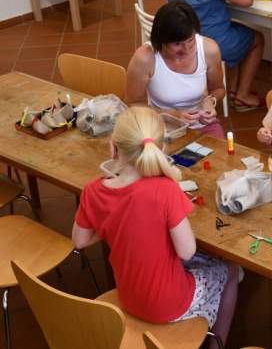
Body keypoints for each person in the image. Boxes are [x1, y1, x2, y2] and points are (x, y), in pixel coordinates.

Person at [72, 107, 239, 349]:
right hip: (169, 305)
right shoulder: (165, 189)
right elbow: (187, 252)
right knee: (229, 270)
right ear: (161, 148)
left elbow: (80, 240)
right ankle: (217, 347)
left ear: (113, 148)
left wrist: (115, 222)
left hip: (128, 297)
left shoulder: (93, 190)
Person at [125, 0, 225, 138]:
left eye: (191, 40)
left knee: (221, 151)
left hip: (201, 123)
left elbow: (219, 89)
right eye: (177, 44)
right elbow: (132, 103)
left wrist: (210, 101)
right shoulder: (145, 58)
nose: (186, 49)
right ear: (161, 40)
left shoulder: (209, 49)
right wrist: (172, 115)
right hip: (162, 126)